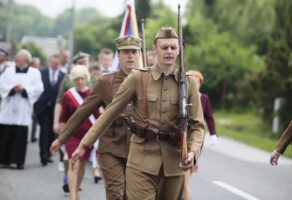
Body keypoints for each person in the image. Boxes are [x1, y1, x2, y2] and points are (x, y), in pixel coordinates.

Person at [71, 27, 205, 200]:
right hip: (141, 161)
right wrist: (85, 144)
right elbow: (110, 112)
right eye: (164, 47)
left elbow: (197, 125)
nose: (169, 52)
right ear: (155, 49)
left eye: (173, 47)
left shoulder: (189, 83)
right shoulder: (138, 78)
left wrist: (193, 152)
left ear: (179, 49)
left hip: (173, 163)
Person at [51, 35, 142, 200]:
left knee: (132, 195)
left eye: (134, 52)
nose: (130, 56)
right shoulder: (106, 82)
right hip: (111, 147)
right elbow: (82, 111)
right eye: (126, 52)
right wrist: (62, 138)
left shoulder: (147, 80)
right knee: (116, 194)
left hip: (138, 148)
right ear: (118, 55)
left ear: (139, 54)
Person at [60, 65, 99, 200]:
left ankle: (76, 190)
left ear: (86, 79)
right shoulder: (68, 95)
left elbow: (98, 115)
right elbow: (63, 118)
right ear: (73, 80)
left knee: (82, 166)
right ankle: (73, 197)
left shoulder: (92, 93)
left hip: (88, 136)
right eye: (76, 79)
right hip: (73, 136)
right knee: (74, 164)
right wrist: (61, 138)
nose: (79, 82)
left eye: (81, 79)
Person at [0, 49, 43, 169]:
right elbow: (1, 84)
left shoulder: (35, 73)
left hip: (23, 108)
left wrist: (24, 90)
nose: (15, 59)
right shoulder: (8, 71)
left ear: (25, 60)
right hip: (8, 107)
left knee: (20, 135)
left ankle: (18, 161)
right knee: (5, 134)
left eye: (18, 58)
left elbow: (39, 89)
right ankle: (4, 160)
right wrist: (13, 89)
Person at [183, 70, 218, 200]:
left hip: (196, 137)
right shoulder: (183, 98)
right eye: (191, 81)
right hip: (183, 136)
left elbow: (209, 116)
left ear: (200, 84)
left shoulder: (203, 98)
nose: (194, 84)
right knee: (183, 179)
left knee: (187, 174)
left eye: (197, 82)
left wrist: (213, 134)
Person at [34, 54, 65, 166]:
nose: (54, 64)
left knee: (53, 132)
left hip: (55, 108)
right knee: (44, 130)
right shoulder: (41, 73)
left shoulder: (63, 76)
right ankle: (43, 154)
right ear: (49, 62)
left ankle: (48, 152)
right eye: (53, 62)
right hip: (42, 107)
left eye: (57, 63)